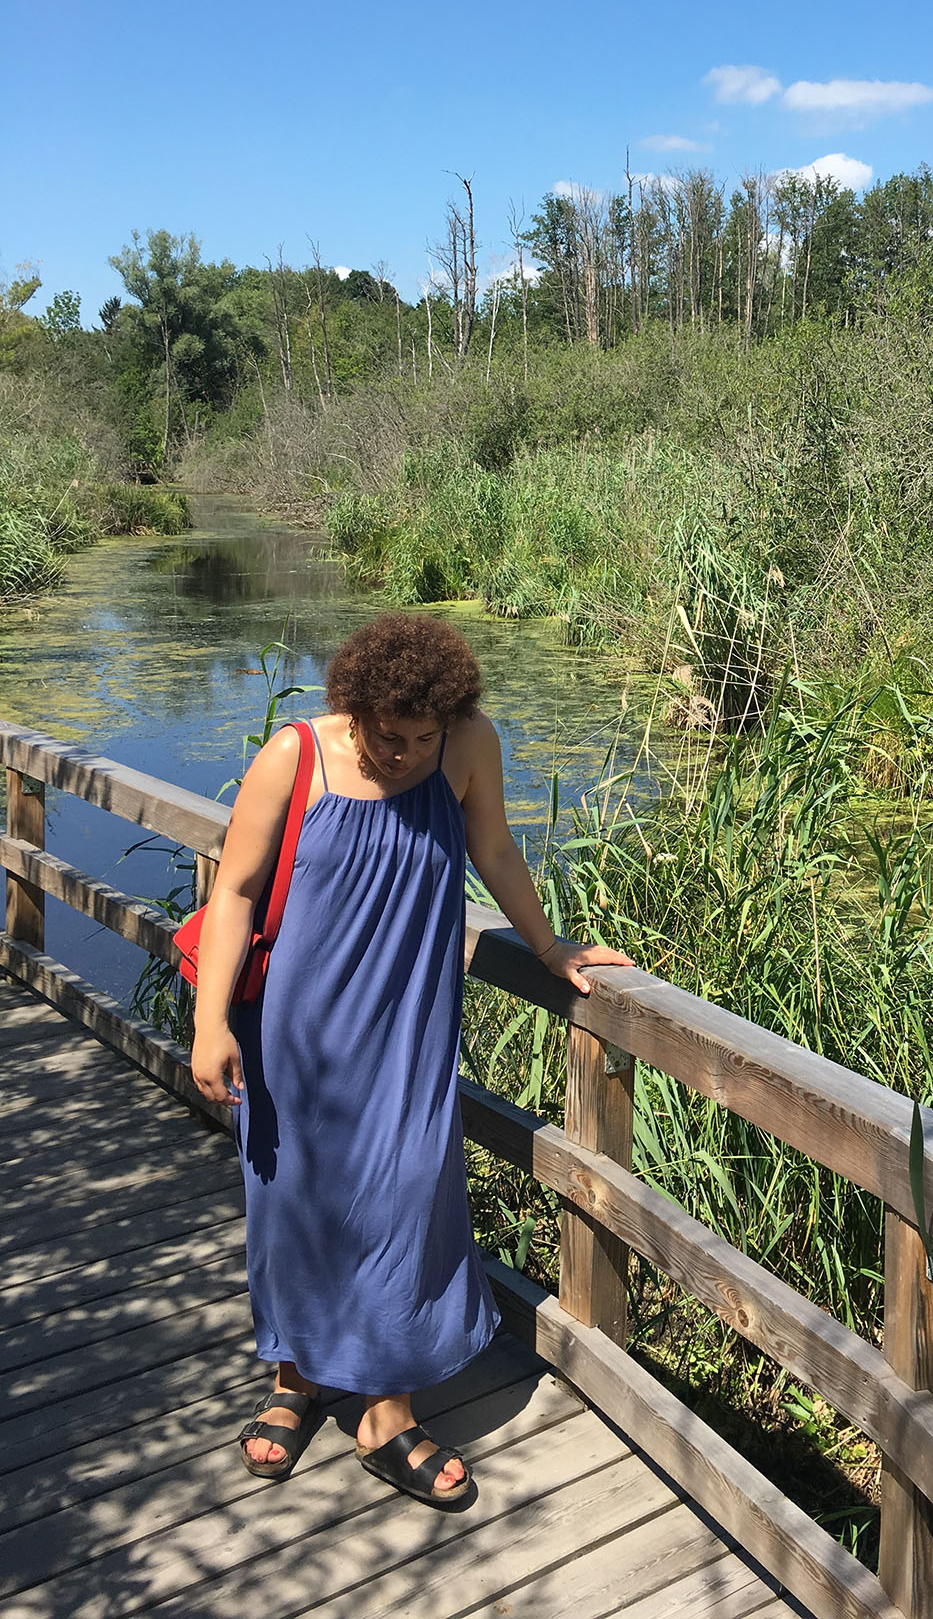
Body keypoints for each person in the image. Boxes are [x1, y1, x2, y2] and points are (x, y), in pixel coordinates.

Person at [189, 612, 632, 1508]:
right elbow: (233, 891)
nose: (405, 754)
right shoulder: (295, 756)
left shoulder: (469, 745)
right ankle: (297, 1377)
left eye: (423, 739)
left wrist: (548, 947)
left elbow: (494, 848)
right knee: (293, 1199)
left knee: (402, 1198)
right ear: (354, 708)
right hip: (295, 1031)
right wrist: (209, 1024)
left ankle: (385, 1412)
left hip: (409, 1024)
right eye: (389, 736)